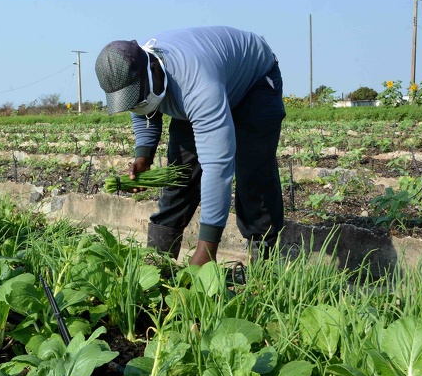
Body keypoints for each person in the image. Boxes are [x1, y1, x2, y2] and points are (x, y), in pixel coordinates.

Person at [95, 26, 285, 266]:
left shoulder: (197, 86)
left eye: (138, 97)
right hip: (205, 81)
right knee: (180, 173)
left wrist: (207, 247)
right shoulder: (133, 65)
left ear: (154, 70)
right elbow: (142, 108)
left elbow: (217, 167)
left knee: (252, 172)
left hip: (254, 84)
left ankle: (264, 266)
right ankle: (156, 265)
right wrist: (144, 155)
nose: (136, 104)